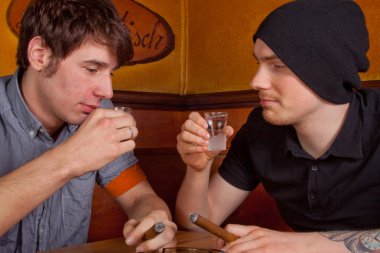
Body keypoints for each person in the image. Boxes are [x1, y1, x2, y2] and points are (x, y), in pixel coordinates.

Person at [176, 1, 380, 252]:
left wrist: (302, 245)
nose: (256, 81)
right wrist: (198, 169)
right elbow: (197, 223)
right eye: (259, 63)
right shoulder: (261, 130)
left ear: (326, 72)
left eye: (278, 66)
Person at [0, 0, 177, 252]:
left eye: (110, 73)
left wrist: (155, 220)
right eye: (92, 68)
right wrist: (71, 158)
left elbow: (140, 197)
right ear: (40, 55)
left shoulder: (98, 113)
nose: (107, 91)